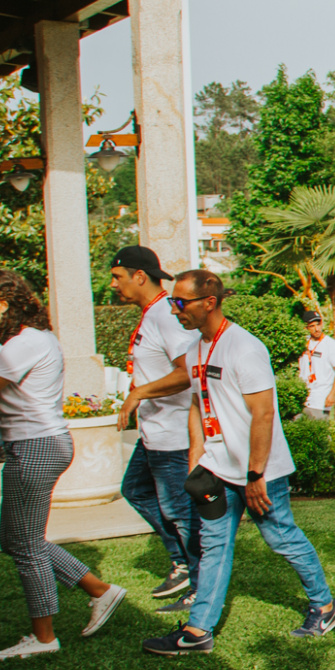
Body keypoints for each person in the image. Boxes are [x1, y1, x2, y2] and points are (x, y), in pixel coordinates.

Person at [140, 269, 335, 656]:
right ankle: (198, 631)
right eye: (172, 302)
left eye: (180, 302)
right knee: (214, 544)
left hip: (260, 470)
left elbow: (263, 414)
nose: (174, 310)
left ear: (209, 302)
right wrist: (197, 459)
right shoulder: (195, 349)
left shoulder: (244, 347)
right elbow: (198, 404)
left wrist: (255, 475)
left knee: (281, 537)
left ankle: (326, 606)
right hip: (218, 468)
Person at [0, 269, 127, 660]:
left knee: (25, 545)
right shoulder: (25, 339)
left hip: (35, 447)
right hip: (35, 444)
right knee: (16, 539)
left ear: (1, 304)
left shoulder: (24, 344)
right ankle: (99, 590)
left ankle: (44, 638)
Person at [110, 245, 201, 611]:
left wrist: (138, 394)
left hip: (173, 434)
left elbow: (187, 371)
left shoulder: (166, 315)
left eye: (117, 277)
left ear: (139, 276)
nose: (113, 284)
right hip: (154, 432)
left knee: (181, 512)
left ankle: (200, 585)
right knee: (135, 489)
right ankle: (183, 563)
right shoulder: (152, 314)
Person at [294, 308, 335, 420]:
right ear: (306, 328)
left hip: (321, 398)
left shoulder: (331, 344)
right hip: (303, 396)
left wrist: (332, 394)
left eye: (318, 324)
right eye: (312, 326)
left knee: (319, 427)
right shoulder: (303, 342)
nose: (316, 329)